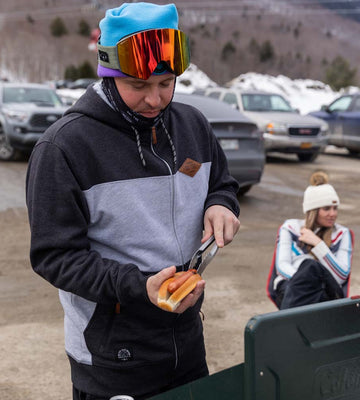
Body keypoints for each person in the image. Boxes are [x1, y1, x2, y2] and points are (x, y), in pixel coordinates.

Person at [26, 3, 240, 399]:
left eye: (165, 83)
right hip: (112, 355)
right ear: (108, 74)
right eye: (138, 86)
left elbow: (221, 183)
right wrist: (140, 287)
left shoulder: (193, 125)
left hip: (187, 342)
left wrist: (221, 205)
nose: (155, 99)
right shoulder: (65, 147)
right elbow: (54, 256)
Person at [272, 171, 353, 310]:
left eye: (335, 208)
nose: (333, 214)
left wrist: (318, 243)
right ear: (313, 210)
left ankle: (285, 328)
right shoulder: (290, 228)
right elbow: (282, 267)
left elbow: (341, 276)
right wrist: (304, 281)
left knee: (311, 266)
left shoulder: (342, 234)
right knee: (308, 268)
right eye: (327, 208)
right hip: (290, 287)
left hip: (326, 290)